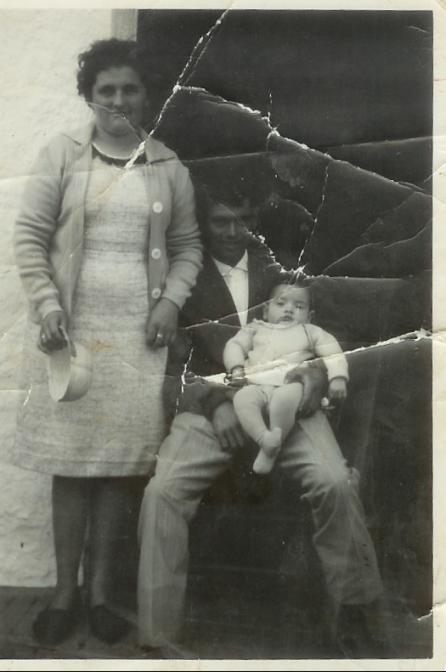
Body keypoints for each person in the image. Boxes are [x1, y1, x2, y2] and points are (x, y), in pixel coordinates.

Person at [137, 159, 386, 656]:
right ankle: (158, 638)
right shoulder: (182, 279)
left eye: (244, 220)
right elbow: (169, 367)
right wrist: (215, 404)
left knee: (335, 482)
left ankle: (355, 615)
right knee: (161, 493)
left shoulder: (283, 268)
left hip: (288, 407)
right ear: (202, 220)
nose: (234, 232)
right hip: (212, 411)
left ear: (257, 215)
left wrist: (311, 378)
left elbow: (329, 337)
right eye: (221, 222)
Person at [12, 38, 202, 646]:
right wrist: (47, 306)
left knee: (119, 468)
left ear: (147, 96)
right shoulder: (62, 154)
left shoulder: (168, 166)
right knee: (71, 466)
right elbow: (30, 239)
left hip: (137, 338)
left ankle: (98, 597)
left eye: (130, 90)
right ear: (89, 96)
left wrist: (170, 303)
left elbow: (187, 247)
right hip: (71, 333)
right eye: (106, 90)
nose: (118, 100)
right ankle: (63, 594)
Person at [224, 278, 348, 475]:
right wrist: (236, 368)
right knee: (242, 399)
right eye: (281, 303)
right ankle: (265, 439)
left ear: (309, 316)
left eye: (298, 306)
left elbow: (332, 350)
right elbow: (234, 345)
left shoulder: (310, 331)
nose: (289, 309)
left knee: (283, 400)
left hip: (290, 385)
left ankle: (273, 446)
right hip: (256, 385)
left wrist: (338, 377)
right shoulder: (256, 328)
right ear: (266, 310)